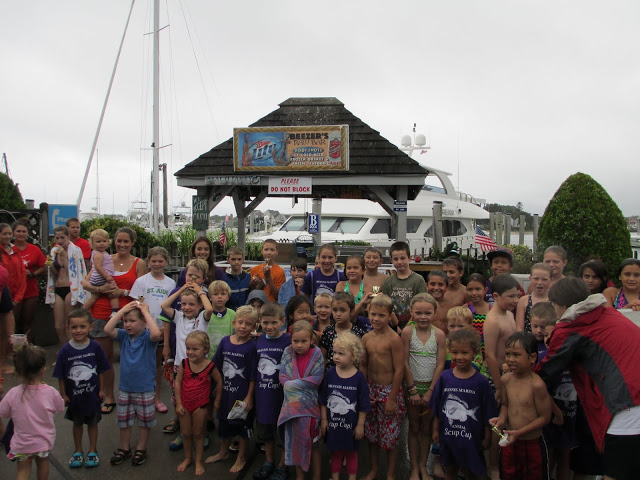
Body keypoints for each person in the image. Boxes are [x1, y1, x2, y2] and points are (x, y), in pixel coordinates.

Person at [539, 276, 640, 480]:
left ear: (562, 306)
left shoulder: (570, 327)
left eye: (554, 306)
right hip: (631, 401)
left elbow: (547, 370)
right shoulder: (609, 312)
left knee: (615, 474)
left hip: (626, 407)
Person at [83, 226, 146, 415]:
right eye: (119, 241)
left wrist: (123, 292)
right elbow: (85, 283)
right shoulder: (103, 258)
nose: (122, 244)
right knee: (105, 357)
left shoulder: (139, 263)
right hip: (102, 313)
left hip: (129, 315)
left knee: (134, 358)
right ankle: (109, 395)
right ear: (114, 241)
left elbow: (143, 293)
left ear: (132, 243)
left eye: (126, 241)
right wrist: (100, 290)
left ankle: (134, 396)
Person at [430, 329, 497, 480]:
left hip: (472, 439)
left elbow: (488, 412)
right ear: (449, 351)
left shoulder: (481, 382)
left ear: (475, 352)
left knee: (471, 472)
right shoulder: (445, 377)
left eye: (464, 353)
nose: (459, 357)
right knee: (450, 469)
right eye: (455, 352)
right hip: (448, 436)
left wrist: (487, 436)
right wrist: (435, 429)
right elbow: (438, 407)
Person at [104, 301, 162, 467]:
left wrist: (146, 312)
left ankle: (141, 448)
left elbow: (156, 334)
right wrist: (123, 310)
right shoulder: (124, 336)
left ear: (143, 322)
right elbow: (107, 329)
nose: (128, 324)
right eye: (126, 321)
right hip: (125, 388)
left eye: (132, 321)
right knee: (124, 421)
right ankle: (125, 448)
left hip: (145, 388)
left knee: (144, 422)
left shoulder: (147, 338)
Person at [490, 332, 552, 480]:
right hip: (510, 444)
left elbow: (545, 418)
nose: (510, 359)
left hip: (532, 444)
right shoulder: (506, 380)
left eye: (516, 355)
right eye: (508, 354)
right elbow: (505, 404)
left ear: (532, 357)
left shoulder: (537, 385)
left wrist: (519, 433)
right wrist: (501, 419)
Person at [53, 308, 110, 468]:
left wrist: (102, 390)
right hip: (74, 397)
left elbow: (101, 370)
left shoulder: (95, 347)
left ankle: (92, 450)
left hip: (92, 396)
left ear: (91, 327)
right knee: (77, 424)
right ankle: (78, 450)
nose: (78, 330)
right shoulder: (65, 351)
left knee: (93, 423)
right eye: (74, 327)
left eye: (82, 326)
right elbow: (61, 375)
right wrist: (63, 394)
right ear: (68, 328)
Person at [160, 279, 213, 449]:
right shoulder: (178, 317)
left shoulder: (202, 318)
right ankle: (184, 433)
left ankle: (202, 433)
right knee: (181, 401)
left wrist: (200, 291)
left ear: (199, 305)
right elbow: (164, 306)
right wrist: (182, 288)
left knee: (200, 402)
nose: (187, 307)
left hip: (200, 368)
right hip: (180, 366)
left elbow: (209, 309)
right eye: (183, 304)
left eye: (191, 304)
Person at [0, 344, 64, 480]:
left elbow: (3, 412)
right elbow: (59, 407)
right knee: (43, 463)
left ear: (18, 371)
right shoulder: (50, 392)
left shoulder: (13, 393)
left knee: (23, 469)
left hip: (22, 442)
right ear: (43, 369)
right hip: (43, 440)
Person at [206, 306, 257, 474]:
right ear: (234, 323)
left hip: (241, 394)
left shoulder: (252, 347)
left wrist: (249, 396)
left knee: (242, 426)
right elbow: (217, 366)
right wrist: (217, 388)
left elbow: (253, 375)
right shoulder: (225, 341)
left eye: (248, 324)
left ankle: (241, 457)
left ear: (254, 327)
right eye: (240, 322)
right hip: (225, 392)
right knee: (224, 422)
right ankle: (223, 451)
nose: (243, 326)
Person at [360, 294, 405, 480]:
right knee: (372, 435)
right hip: (371, 389)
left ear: (389, 315)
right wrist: (364, 391)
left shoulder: (394, 339)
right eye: (373, 314)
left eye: (381, 315)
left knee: (390, 437)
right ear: (368, 313)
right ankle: (374, 469)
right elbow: (363, 365)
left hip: (389, 390)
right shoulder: (366, 338)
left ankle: (390, 473)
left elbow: (399, 369)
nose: (376, 319)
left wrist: (392, 398)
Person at [401, 293, 446, 480]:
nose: (423, 317)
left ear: (435, 313)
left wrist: (430, 391)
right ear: (411, 312)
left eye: (427, 313)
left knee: (427, 429)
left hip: (431, 389)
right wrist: (412, 389)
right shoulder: (407, 332)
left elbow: (440, 365)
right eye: (418, 313)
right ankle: (413, 467)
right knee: (413, 427)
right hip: (412, 388)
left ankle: (423, 466)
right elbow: (404, 362)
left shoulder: (440, 335)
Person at [130, 246, 176, 413]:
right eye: (154, 261)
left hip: (162, 330)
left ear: (166, 262)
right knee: (139, 365)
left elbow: (171, 308)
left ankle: (155, 398)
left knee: (157, 366)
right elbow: (137, 305)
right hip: (143, 330)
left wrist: (164, 328)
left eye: (160, 261)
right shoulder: (141, 282)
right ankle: (138, 399)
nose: (157, 264)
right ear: (148, 261)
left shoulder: (171, 283)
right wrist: (142, 325)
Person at [320, 332, 371, 480]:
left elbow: (363, 404)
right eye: (334, 352)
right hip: (333, 426)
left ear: (353, 356)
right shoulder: (330, 373)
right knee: (335, 453)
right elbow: (323, 399)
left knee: (352, 454)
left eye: (341, 354)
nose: (336, 356)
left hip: (352, 427)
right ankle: (334, 477)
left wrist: (360, 425)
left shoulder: (359, 377)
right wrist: (324, 420)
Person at [278, 320, 324, 480]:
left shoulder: (317, 354)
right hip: (292, 409)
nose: (299, 345)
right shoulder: (287, 353)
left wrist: (292, 385)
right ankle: (300, 476)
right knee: (296, 442)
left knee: (314, 445)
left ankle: (316, 476)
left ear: (311, 339)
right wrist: (292, 385)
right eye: (295, 341)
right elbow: (282, 376)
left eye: (303, 341)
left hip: (310, 408)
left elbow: (317, 378)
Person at [174, 331, 222, 476]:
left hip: (200, 405)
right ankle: (188, 457)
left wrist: (217, 400)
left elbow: (219, 381)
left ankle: (198, 461)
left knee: (199, 433)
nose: (190, 352)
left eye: (195, 349)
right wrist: (178, 403)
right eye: (188, 348)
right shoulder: (184, 363)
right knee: (186, 433)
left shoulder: (210, 366)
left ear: (205, 349)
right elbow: (178, 383)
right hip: (185, 404)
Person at [252, 302, 290, 480]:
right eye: (265, 322)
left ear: (282, 321)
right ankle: (269, 462)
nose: (269, 326)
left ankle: (282, 466)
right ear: (260, 321)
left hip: (283, 398)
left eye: (274, 322)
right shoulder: (258, 340)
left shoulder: (288, 341)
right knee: (266, 433)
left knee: (283, 435)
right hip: (263, 396)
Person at [541, 316, 577, 480]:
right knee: (549, 454)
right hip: (551, 417)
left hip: (571, 415)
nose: (548, 339)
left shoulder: (573, 358)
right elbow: (543, 391)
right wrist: (557, 413)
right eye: (545, 335)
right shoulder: (545, 361)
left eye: (553, 335)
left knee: (565, 454)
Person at [46, 225, 87, 348]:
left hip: (71, 289)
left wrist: (64, 256)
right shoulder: (54, 251)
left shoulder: (75, 250)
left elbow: (74, 272)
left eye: (62, 237)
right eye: (57, 238)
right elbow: (54, 273)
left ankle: (74, 348)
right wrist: (49, 265)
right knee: (58, 326)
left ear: (68, 237)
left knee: (71, 323)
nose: (59, 241)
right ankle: (64, 349)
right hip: (58, 287)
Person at [483, 274, 520, 400]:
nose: (516, 300)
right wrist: (498, 385)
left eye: (518, 296)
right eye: (511, 296)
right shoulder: (492, 321)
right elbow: (489, 355)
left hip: (509, 370)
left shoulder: (509, 315)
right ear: (496, 296)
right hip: (495, 374)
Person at [11, 219, 46, 342]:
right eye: (18, 231)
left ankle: (28, 346)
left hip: (30, 290)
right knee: (13, 320)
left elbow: (44, 266)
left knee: (29, 320)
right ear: (13, 233)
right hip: (13, 290)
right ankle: (11, 347)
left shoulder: (34, 249)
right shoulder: (8, 249)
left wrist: (32, 274)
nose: (21, 234)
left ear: (27, 233)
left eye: (24, 231)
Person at [0, 223, 26, 373]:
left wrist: (18, 296)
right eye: (4, 234)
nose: (8, 236)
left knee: (7, 331)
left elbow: (22, 274)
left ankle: (2, 362)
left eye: (10, 234)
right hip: (3, 290)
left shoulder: (14, 250)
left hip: (9, 295)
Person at [382, 241, 427, 329]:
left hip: (414, 325)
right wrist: (396, 326)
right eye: (396, 259)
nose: (399, 262)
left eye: (403, 258)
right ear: (391, 260)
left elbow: (422, 305)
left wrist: (408, 327)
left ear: (409, 258)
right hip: (393, 326)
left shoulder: (418, 280)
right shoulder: (388, 282)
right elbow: (386, 307)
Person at [320, 292, 366, 369]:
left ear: (351, 311)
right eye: (335, 310)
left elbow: (361, 360)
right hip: (331, 373)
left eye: (342, 310)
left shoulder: (358, 333)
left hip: (351, 373)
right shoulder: (328, 332)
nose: (338, 314)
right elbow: (323, 357)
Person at [82, 229, 119, 313]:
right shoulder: (99, 254)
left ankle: (83, 310)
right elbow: (98, 267)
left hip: (97, 278)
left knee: (94, 296)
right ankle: (115, 312)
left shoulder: (101, 253)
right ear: (92, 243)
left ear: (108, 242)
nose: (102, 243)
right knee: (113, 293)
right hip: (101, 278)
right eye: (98, 241)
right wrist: (107, 276)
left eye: (104, 241)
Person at [301, 243, 346, 307]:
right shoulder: (311, 276)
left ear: (336, 258)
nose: (327, 261)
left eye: (330, 257)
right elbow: (305, 298)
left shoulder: (341, 277)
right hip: (316, 312)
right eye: (323, 257)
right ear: (319, 258)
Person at [516, 263, 552, 332]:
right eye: (536, 279)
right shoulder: (523, 301)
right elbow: (519, 328)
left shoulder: (555, 300)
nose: (540, 282)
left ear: (550, 280)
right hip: (528, 338)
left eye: (544, 279)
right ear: (530, 278)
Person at [206, 280, 236, 359]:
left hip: (227, 358)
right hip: (207, 358)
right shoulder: (205, 314)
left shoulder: (233, 314)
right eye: (215, 294)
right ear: (210, 297)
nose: (219, 297)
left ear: (228, 297)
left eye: (223, 294)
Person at [466, 273, 490, 362]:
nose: (474, 293)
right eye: (470, 289)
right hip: (469, 356)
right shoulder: (464, 310)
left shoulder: (492, 310)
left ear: (485, 290)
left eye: (478, 289)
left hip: (488, 354)